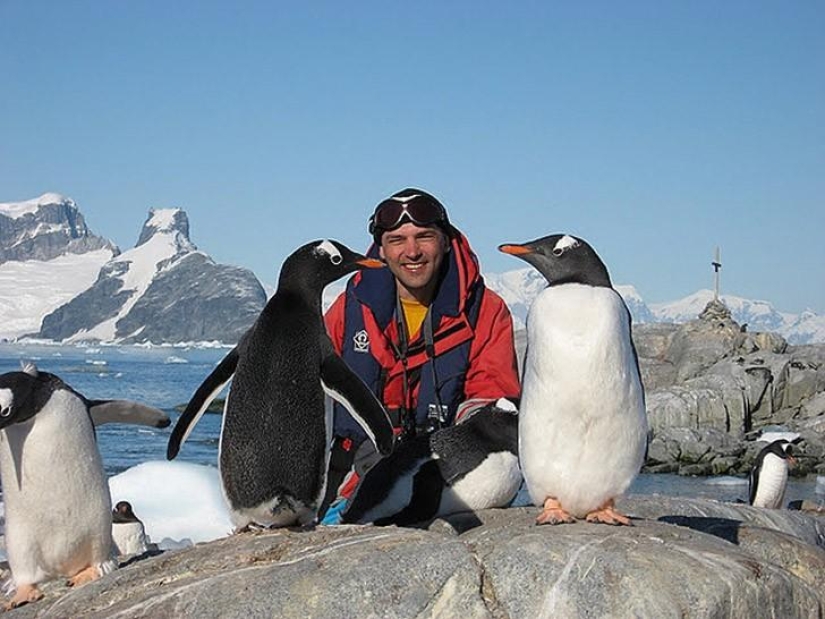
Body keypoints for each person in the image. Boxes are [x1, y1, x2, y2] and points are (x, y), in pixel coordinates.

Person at [320, 187, 520, 520]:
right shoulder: (350, 309)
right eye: (397, 240)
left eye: (424, 237)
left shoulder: (484, 311)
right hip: (351, 481)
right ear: (381, 250)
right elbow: (307, 396)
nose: (412, 252)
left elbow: (495, 408)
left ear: (446, 241)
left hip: (445, 478)